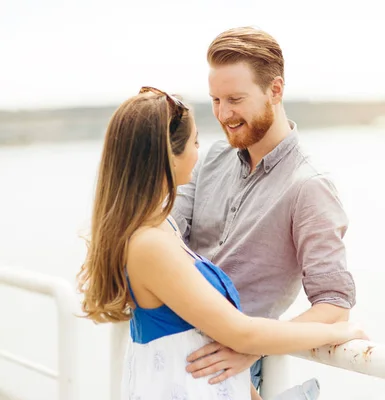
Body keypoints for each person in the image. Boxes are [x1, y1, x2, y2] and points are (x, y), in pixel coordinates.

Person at [76, 86, 366, 400]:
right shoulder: (148, 244)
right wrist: (338, 331)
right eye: (194, 142)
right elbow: (240, 333)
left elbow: (197, 338)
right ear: (167, 156)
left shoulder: (161, 228)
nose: (199, 153)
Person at [172, 26, 356, 391]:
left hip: (231, 375)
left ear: (275, 90)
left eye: (235, 99)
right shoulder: (208, 160)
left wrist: (255, 345)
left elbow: (335, 307)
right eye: (216, 100)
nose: (223, 114)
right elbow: (167, 236)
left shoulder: (309, 186)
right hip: (171, 356)